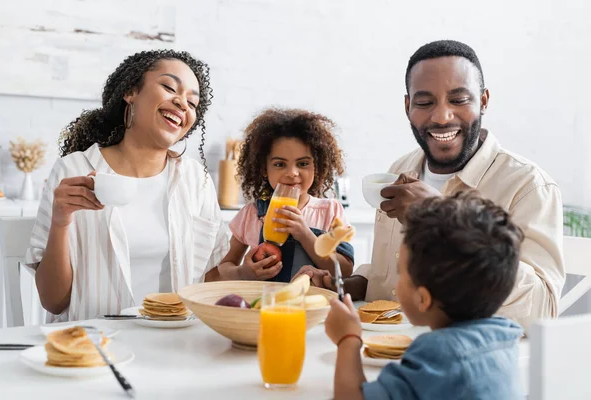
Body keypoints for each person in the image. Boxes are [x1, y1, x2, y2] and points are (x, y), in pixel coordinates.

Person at [296, 40, 564, 329]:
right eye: (425, 103)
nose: (442, 117)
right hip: (381, 346)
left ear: (484, 100)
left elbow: (542, 309)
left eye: (459, 100)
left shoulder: (528, 186)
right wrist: (349, 284)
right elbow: (390, 276)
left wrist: (442, 216)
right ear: (408, 106)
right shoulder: (400, 170)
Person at [25, 50, 229, 322]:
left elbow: (210, 280)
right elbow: (53, 301)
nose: (182, 103)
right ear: (131, 92)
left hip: (173, 343)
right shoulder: (73, 170)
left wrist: (249, 272)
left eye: (193, 103)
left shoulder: (195, 179)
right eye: (169, 87)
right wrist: (60, 221)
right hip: (94, 347)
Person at [325, 191, 524, 400]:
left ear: (423, 299)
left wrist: (348, 339)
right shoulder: (505, 334)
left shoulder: (438, 353)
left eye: (400, 273)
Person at [205, 108, 353, 283]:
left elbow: (345, 270)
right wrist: (243, 273)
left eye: (303, 163)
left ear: (317, 167)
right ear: (264, 170)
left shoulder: (329, 211)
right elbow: (220, 268)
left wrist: (305, 234)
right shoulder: (252, 214)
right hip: (261, 306)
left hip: (311, 308)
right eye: (280, 164)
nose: (292, 173)